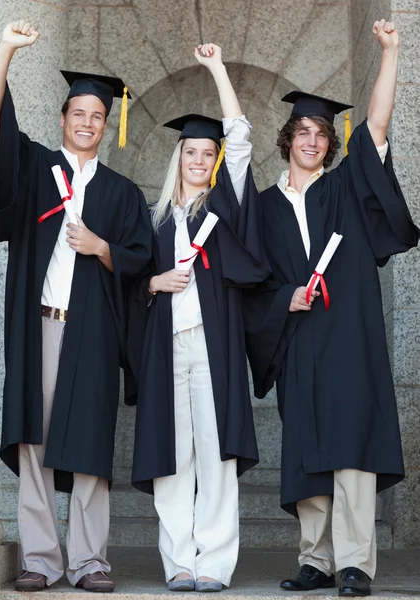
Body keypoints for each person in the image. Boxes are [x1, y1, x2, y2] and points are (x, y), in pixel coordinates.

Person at [0, 20, 152, 593]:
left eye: (97, 116)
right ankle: (43, 560)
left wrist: (101, 247)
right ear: (63, 119)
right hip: (41, 327)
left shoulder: (122, 193)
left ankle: (90, 561)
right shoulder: (36, 169)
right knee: (35, 442)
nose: (87, 122)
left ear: (106, 125)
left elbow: (142, 259)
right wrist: (6, 51)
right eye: (78, 113)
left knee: (92, 444)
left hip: (94, 331)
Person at [244, 19, 419, 597]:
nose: (313, 141)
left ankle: (354, 564)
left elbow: (377, 125)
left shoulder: (343, 187)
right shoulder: (265, 206)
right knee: (308, 445)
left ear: (330, 142)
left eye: (322, 132)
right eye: (304, 132)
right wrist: (282, 299)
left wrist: (391, 53)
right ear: (287, 138)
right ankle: (315, 561)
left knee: (350, 442)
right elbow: (253, 278)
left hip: (346, 334)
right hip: (298, 338)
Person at [126, 43, 269, 592]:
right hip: (169, 348)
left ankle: (213, 564)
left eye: (207, 155)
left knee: (215, 459)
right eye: (192, 153)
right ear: (178, 157)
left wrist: (215, 69)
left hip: (215, 349)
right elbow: (132, 284)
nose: (201, 160)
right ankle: (179, 563)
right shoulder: (156, 219)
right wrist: (157, 282)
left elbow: (240, 142)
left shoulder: (223, 212)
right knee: (173, 460)